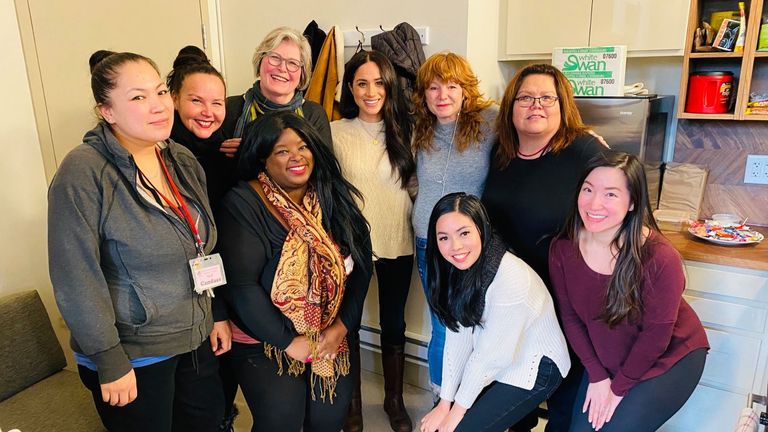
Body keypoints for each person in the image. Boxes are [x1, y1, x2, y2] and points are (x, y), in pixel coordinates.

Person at [48, 50, 229, 431]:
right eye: (137, 97)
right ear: (106, 111)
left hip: (194, 338)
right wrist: (109, 358)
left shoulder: (179, 158)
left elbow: (202, 245)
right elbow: (75, 275)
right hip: (135, 353)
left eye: (161, 92)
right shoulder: (83, 172)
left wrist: (215, 315)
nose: (158, 105)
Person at [215, 111, 373, 431]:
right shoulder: (242, 203)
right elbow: (242, 286)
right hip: (265, 339)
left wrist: (341, 327)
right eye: (282, 151)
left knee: (328, 418)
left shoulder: (333, 195)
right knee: (282, 420)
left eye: (303, 147)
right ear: (263, 159)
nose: (296, 158)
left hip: (330, 333)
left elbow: (363, 266)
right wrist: (290, 343)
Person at [481, 63, 606, 432]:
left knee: (564, 402)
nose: (536, 104)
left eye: (547, 97)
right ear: (511, 106)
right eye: (525, 97)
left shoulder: (583, 150)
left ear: (562, 104)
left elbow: (620, 196)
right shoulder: (500, 152)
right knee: (516, 390)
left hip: (566, 301)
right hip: (512, 299)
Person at [549, 151, 709, 431]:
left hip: (667, 357)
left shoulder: (659, 258)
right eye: (588, 189)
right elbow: (571, 319)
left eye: (611, 194)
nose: (594, 203)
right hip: (608, 356)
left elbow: (655, 337)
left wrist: (617, 389)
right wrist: (598, 377)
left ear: (632, 202)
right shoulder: (563, 249)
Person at [419, 193, 570, 432]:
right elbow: (458, 338)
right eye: (444, 238)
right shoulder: (459, 268)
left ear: (481, 228)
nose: (455, 246)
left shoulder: (511, 278)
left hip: (535, 365)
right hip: (498, 355)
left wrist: (457, 413)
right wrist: (445, 402)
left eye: (464, 233)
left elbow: (491, 357)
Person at [332, 50, 416, 432]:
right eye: (362, 82)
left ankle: (394, 399)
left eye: (379, 82)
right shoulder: (334, 132)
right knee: (348, 322)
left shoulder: (408, 130)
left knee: (393, 322)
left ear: (390, 86)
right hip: (352, 245)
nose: (371, 91)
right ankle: (352, 406)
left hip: (399, 239)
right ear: (350, 87)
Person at [411, 52, 498, 395]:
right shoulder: (418, 127)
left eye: (451, 86)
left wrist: (586, 138)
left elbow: (541, 126)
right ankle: (441, 398)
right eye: (433, 87)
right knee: (443, 327)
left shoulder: (489, 123)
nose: (442, 95)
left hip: (472, 245)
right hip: (427, 242)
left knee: (479, 326)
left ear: (465, 90)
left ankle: (471, 401)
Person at [220, 27, 332, 150]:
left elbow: (325, 167)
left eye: (293, 63)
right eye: (275, 58)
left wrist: (250, 149)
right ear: (260, 61)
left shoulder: (314, 114)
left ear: (302, 73)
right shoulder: (229, 108)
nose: (282, 68)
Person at [167, 45, 238, 207]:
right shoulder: (160, 152)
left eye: (217, 103)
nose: (207, 112)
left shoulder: (229, 151)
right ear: (175, 100)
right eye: (196, 101)